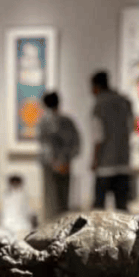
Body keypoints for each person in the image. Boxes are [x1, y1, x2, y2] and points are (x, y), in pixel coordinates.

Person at [90, 71, 133, 211]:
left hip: (105, 163)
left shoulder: (99, 105)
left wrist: (95, 160)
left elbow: (98, 136)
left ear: (96, 86)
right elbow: (130, 128)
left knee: (99, 208)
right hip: (123, 160)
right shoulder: (125, 102)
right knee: (122, 207)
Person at [36, 91, 80, 219]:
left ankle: (52, 226)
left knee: (51, 200)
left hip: (51, 164)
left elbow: (45, 145)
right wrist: (65, 160)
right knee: (63, 199)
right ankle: (62, 225)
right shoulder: (67, 121)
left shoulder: (44, 122)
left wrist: (54, 161)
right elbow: (76, 145)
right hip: (64, 163)